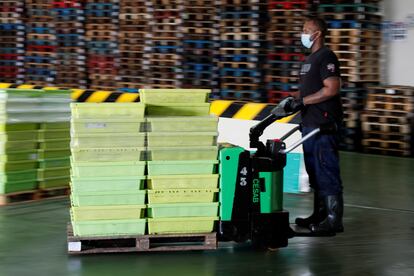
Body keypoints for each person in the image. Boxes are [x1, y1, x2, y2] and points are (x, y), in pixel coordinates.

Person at [281, 16, 344, 235]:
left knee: (326, 169)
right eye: (303, 29)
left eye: (307, 30)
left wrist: (304, 101)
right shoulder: (309, 60)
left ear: (317, 34)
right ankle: (319, 214)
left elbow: (331, 88)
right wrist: (294, 97)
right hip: (309, 123)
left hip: (324, 123)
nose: (303, 33)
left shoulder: (326, 56)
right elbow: (309, 91)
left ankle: (333, 219)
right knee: (314, 171)